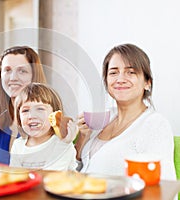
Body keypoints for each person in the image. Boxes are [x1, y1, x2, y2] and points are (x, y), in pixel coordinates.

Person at [75, 43, 176, 180]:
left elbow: (164, 187)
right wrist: (82, 137)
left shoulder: (155, 125)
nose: (120, 79)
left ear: (147, 83)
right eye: (113, 73)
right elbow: (75, 169)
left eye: (131, 72)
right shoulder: (103, 118)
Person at [0, 46, 48, 165]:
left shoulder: (48, 120)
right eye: (7, 70)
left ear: (34, 76)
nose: (13, 78)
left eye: (22, 71)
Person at [10, 83, 78, 170]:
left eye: (40, 109)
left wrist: (64, 144)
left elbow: (53, 176)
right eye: (25, 110)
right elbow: (15, 177)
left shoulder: (63, 144)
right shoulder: (18, 145)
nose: (32, 116)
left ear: (55, 115)